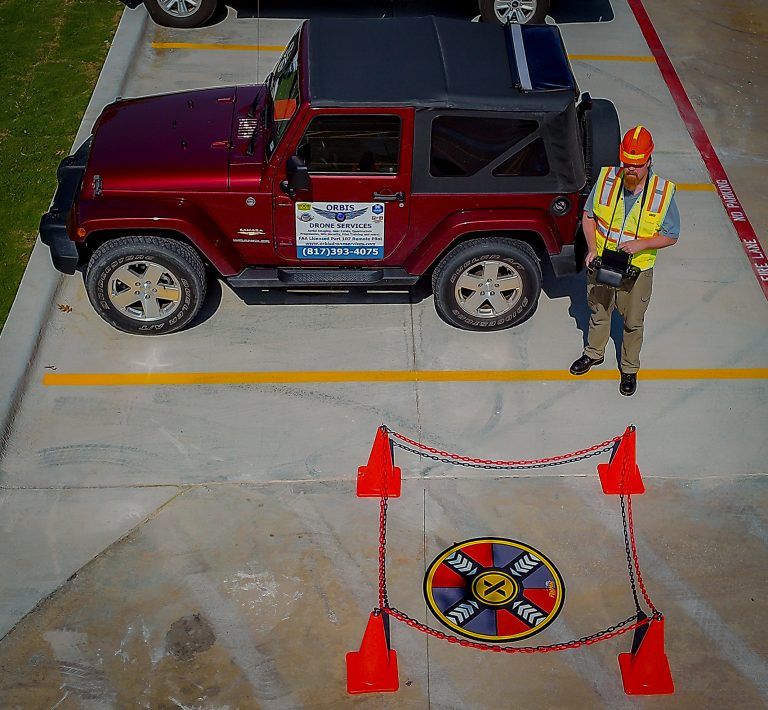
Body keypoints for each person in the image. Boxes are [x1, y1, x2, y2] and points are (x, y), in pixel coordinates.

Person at [569, 126, 680, 396]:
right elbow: (589, 216)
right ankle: (593, 353)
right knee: (599, 312)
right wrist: (592, 248)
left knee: (632, 323)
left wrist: (641, 245)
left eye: (636, 165)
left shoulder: (662, 193)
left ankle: (629, 368)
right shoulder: (607, 179)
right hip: (603, 263)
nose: (630, 170)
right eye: (627, 164)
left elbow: (671, 235)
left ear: (649, 160)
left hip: (637, 271)